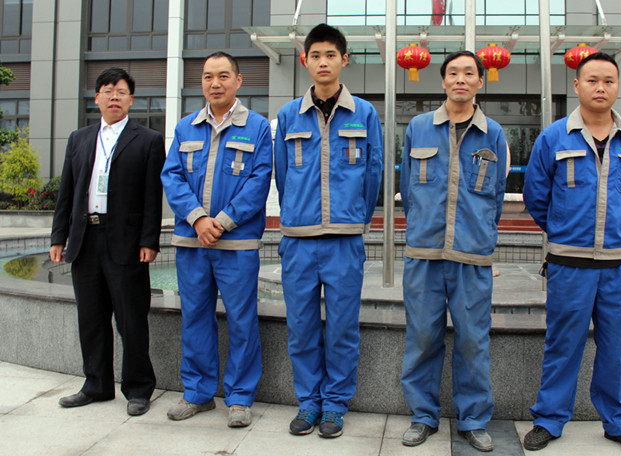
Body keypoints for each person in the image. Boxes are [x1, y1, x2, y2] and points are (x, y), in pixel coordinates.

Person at [522, 52, 621, 455]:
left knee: (617, 348)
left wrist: (615, 232)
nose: (600, 88)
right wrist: (565, 230)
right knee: (563, 345)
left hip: (620, 265)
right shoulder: (553, 137)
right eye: (592, 80)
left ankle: (620, 422)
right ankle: (549, 419)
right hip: (569, 264)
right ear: (576, 86)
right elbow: (536, 195)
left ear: (617, 87)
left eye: (608, 81)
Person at [274, 23, 383, 438]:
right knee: (301, 328)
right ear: (305, 61)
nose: (323, 62)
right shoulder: (289, 115)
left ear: (344, 60)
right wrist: (297, 214)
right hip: (299, 241)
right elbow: (282, 175)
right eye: (316, 55)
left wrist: (355, 217)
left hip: (344, 241)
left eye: (331, 55)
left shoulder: (364, 113)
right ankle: (308, 402)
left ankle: (335, 405)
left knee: (341, 330)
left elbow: (373, 172)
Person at [398, 50, 508, 452]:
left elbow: (496, 195)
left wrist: (479, 235)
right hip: (424, 255)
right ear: (443, 80)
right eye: (453, 73)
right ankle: (423, 416)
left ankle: (474, 419)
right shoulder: (419, 127)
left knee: (473, 341)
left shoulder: (493, 133)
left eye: (468, 73)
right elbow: (408, 188)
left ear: (480, 80)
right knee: (422, 338)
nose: (460, 79)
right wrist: (422, 226)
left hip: (472, 257)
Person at [161, 52, 272, 428]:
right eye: (208, 76)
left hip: (236, 245)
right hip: (192, 242)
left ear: (238, 81)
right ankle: (197, 392)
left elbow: (259, 181)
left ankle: (239, 398)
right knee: (195, 318)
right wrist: (197, 219)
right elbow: (172, 177)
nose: (215, 83)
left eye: (223, 76)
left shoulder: (257, 127)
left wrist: (221, 223)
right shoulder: (186, 127)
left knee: (242, 320)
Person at [50, 67, 165, 416]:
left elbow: (152, 196)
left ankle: (138, 388)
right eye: (107, 90)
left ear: (131, 99)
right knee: (91, 317)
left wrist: (149, 240)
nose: (114, 96)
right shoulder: (79, 138)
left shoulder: (148, 140)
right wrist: (59, 236)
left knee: (131, 319)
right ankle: (96, 384)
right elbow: (67, 191)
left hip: (126, 243)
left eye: (121, 91)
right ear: (97, 97)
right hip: (85, 239)